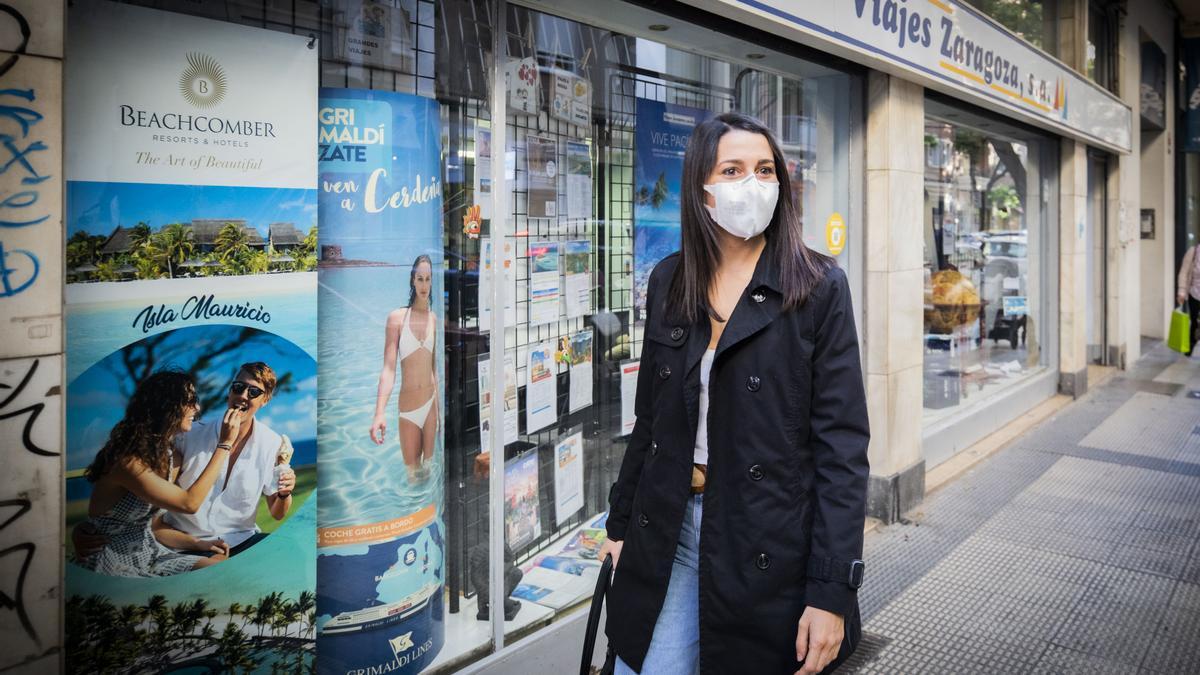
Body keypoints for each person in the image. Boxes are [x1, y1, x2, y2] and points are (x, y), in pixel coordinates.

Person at [598, 113, 870, 675]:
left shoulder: (819, 288)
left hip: (767, 537)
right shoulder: (669, 281)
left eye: (765, 170)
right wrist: (619, 527)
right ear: (703, 189)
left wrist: (830, 590)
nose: (753, 184)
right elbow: (649, 419)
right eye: (734, 169)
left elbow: (842, 451)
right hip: (669, 524)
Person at [73, 370, 238, 577]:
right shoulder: (127, 462)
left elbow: (155, 526)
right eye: (190, 400)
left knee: (220, 567)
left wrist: (199, 544)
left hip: (151, 555)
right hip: (109, 562)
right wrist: (225, 444)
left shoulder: (171, 458)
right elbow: (189, 503)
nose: (196, 407)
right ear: (166, 405)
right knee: (218, 575)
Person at [154, 362, 297, 556]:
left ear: (265, 400)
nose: (243, 395)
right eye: (238, 387)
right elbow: (154, 506)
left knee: (289, 550)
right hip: (186, 544)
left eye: (254, 392)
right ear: (230, 391)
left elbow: (277, 513)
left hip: (242, 539)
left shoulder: (272, 443)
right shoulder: (187, 436)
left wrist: (284, 493)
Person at [370, 254, 440, 483]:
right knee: (413, 477)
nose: (424, 285)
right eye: (420, 279)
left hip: (430, 407)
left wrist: (439, 413)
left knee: (428, 473)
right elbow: (388, 370)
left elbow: (433, 369)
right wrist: (379, 412)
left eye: (428, 279)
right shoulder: (396, 318)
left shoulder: (434, 319)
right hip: (408, 410)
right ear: (412, 280)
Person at [1177, 243, 1200, 357]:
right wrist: (1182, 291)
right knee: (1194, 322)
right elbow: (1184, 272)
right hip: (1195, 294)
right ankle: (1190, 346)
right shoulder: (1193, 251)